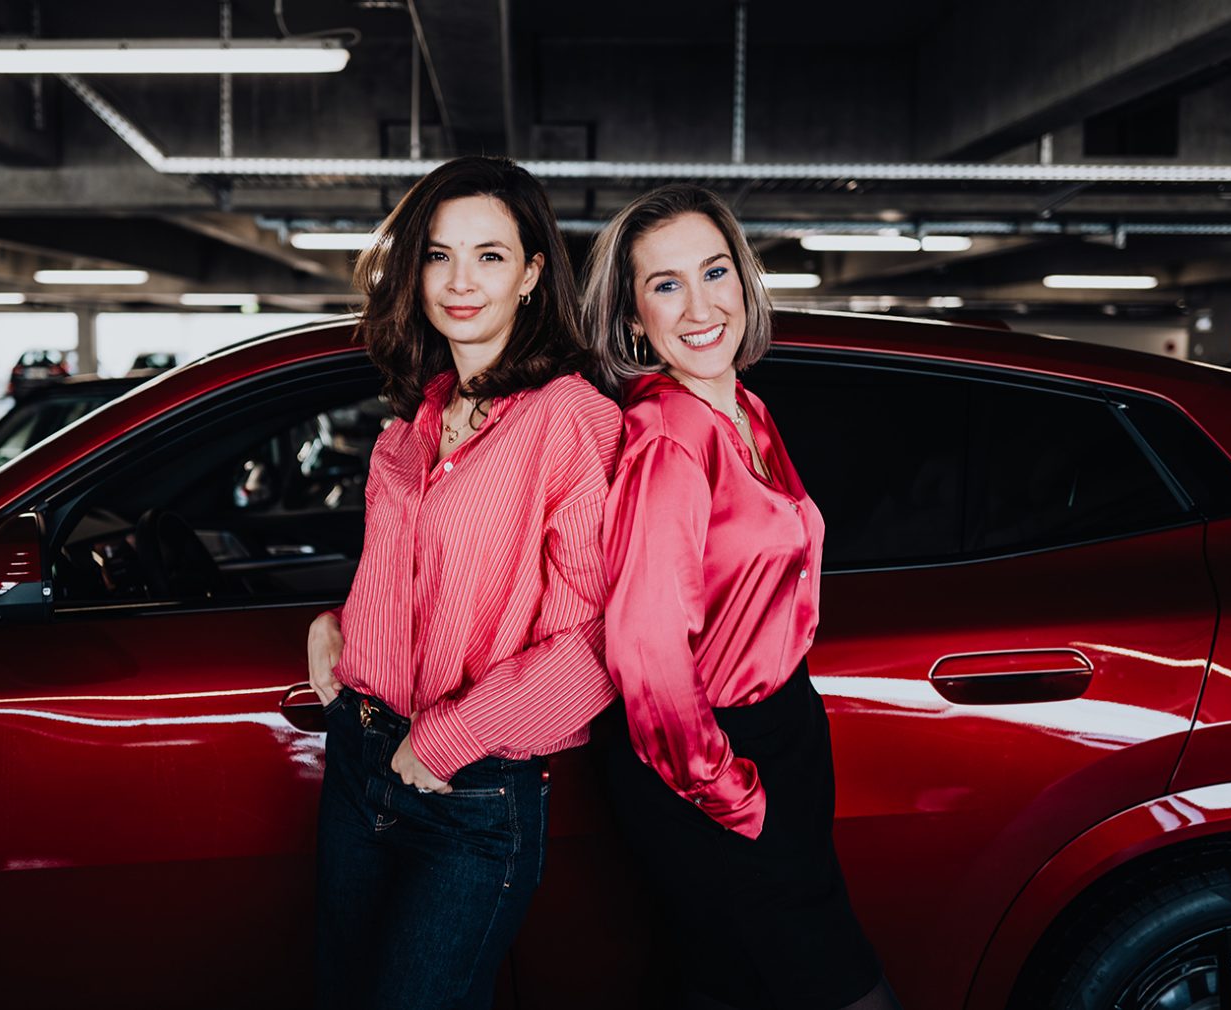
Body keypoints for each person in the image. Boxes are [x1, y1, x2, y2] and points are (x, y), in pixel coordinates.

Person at [305, 155, 622, 1010]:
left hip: (470, 788)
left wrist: (442, 740)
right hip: (360, 760)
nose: (459, 281)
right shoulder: (415, 418)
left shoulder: (570, 418)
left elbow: (591, 643)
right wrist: (338, 622)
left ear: (530, 274)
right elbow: (416, 580)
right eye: (439, 255)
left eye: (489, 255)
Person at [583, 184, 900, 1010]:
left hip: (779, 732)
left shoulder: (746, 409)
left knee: (729, 987)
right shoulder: (669, 438)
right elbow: (647, 654)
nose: (700, 306)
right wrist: (732, 793)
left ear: (745, 279)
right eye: (665, 284)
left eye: (715, 271)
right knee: (837, 990)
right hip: (711, 763)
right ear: (631, 319)